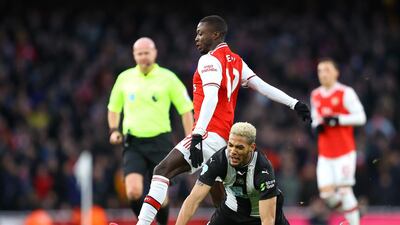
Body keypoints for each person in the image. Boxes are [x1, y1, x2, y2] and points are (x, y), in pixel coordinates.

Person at [135, 15, 310, 225]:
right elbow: (263, 87)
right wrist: (294, 103)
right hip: (224, 144)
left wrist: (198, 134)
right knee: (222, 200)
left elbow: (211, 96)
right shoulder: (236, 61)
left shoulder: (208, 60)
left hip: (207, 134)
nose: (196, 38)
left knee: (162, 171)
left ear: (216, 34)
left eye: (201, 33)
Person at [107, 37, 194, 225]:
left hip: (160, 142)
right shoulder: (125, 78)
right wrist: (114, 129)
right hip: (133, 143)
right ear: (134, 55)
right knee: (132, 191)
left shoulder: (168, 78)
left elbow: (186, 109)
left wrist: (190, 139)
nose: (144, 57)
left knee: (161, 199)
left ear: (154, 53)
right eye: (140, 54)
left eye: (147, 53)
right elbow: (113, 108)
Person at [176, 122, 289, 225]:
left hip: (260, 217)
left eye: (240, 147)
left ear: (252, 147)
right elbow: (193, 200)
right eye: (230, 145)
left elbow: (267, 220)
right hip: (231, 212)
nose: (233, 151)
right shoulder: (218, 161)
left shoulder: (263, 169)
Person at [310, 58, 366, 225]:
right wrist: (317, 125)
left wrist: (338, 120)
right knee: (327, 195)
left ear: (336, 73)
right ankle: (353, 212)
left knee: (344, 191)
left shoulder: (345, 93)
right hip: (325, 153)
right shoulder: (316, 95)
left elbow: (361, 117)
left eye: (327, 70)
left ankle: (353, 221)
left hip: (344, 152)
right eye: (320, 71)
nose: (323, 74)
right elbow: (315, 118)